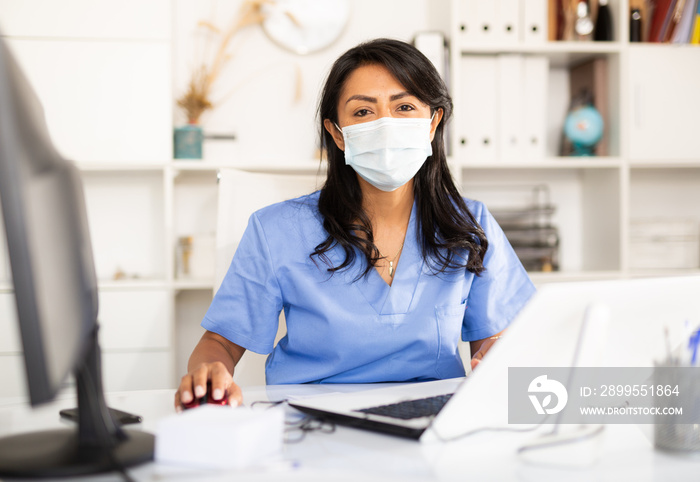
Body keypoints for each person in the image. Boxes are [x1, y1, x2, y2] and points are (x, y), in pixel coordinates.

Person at [175, 38, 536, 409]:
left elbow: (496, 346)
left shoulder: (469, 225)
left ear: (432, 123)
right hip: (312, 426)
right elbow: (219, 343)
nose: (385, 124)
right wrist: (211, 372)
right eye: (363, 112)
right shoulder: (276, 230)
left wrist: (502, 360)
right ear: (336, 133)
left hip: (431, 427)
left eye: (405, 106)